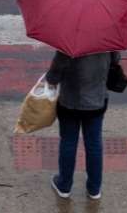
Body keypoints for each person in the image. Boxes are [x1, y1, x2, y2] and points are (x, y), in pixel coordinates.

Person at [45, 50, 121, 200]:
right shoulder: (108, 39)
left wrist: (51, 78)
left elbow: (54, 75)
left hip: (69, 102)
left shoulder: (68, 43)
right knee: (94, 144)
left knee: (68, 142)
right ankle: (94, 188)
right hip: (97, 101)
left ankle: (64, 185)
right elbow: (115, 60)